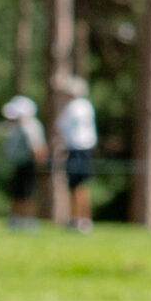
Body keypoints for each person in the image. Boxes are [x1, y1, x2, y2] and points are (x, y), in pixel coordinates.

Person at [0, 96, 47, 231]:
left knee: (27, 193)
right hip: (19, 164)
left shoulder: (30, 126)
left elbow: (37, 148)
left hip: (27, 164)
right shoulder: (18, 126)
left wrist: (38, 164)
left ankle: (28, 220)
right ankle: (15, 218)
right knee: (17, 192)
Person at [54, 77, 97, 233]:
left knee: (76, 186)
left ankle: (78, 219)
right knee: (78, 186)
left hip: (77, 150)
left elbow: (61, 127)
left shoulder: (74, 107)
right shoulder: (85, 106)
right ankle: (81, 219)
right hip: (82, 149)